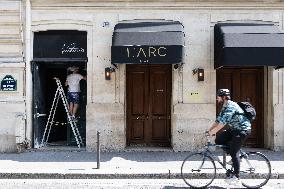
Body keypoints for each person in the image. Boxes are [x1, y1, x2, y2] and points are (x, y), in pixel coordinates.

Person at [207, 89, 251, 185]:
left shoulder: (231, 106)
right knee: (219, 139)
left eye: (218, 96)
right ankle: (236, 155)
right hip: (234, 129)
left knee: (234, 152)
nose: (216, 98)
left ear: (223, 97)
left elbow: (222, 123)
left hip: (242, 130)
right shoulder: (225, 106)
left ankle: (237, 177)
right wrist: (209, 130)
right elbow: (218, 120)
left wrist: (213, 132)